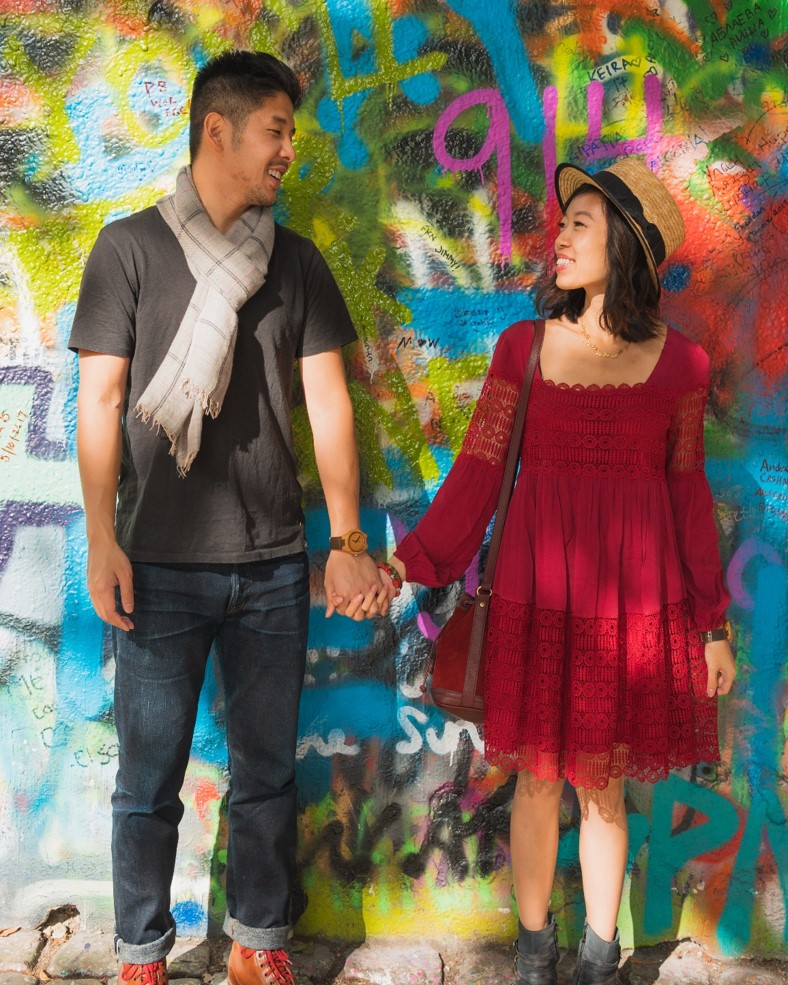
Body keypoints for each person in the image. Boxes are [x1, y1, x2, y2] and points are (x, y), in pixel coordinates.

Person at [69, 51, 395, 985]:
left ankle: (258, 941)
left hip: (273, 567)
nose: (290, 149)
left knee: (266, 775)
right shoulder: (127, 249)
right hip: (158, 562)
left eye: (291, 132)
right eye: (276, 130)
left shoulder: (294, 261)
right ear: (219, 128)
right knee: (148, 780)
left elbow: (328, 401)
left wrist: (344, 540)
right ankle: (141, 951)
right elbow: (101, 400)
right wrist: (101, 536)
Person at [388, 158, 735, 985]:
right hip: (535, 603)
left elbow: (688, 494)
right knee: (539, 783)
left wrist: (711, 623)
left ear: (628, 246)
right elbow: (476, 471)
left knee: (606, 790)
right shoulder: (524, 348)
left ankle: (600, 952)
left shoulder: (682, 365)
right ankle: (535, 950)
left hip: (635, 616)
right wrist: (408, 563)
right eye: (564, 222)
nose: (561, 238)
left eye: (581, 222)